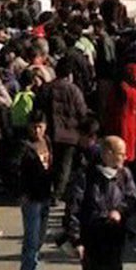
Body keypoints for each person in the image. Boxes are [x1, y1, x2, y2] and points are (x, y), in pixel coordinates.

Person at [65, 135, 136, 270]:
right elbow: (74, 208)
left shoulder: (124, 174)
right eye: (121, 154)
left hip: (114, 237)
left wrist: (120, 211)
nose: (125, 157)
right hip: (92, 237)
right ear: (108, 153)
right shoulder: (86, 176)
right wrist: (76, 239)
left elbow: (133, 201)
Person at [36, 56, 89, 205]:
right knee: (64, 166)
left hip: (49, 133)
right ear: (70, 74)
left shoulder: (45, 88)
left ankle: (47, 191)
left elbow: (37, 110)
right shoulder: (74, 90)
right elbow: (82, 112)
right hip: (70, 135)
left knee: (48, 164)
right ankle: (57, 194)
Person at [18, 112, 54, 270]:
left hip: (45, 194)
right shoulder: (24, 146)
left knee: (40, 237)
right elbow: (16, 170)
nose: (37, 130)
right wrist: (22, 192)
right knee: (31, 238)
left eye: (40, 126)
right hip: (31, 197)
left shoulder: (47, 141)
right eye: (34, 126)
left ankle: (34, 268)